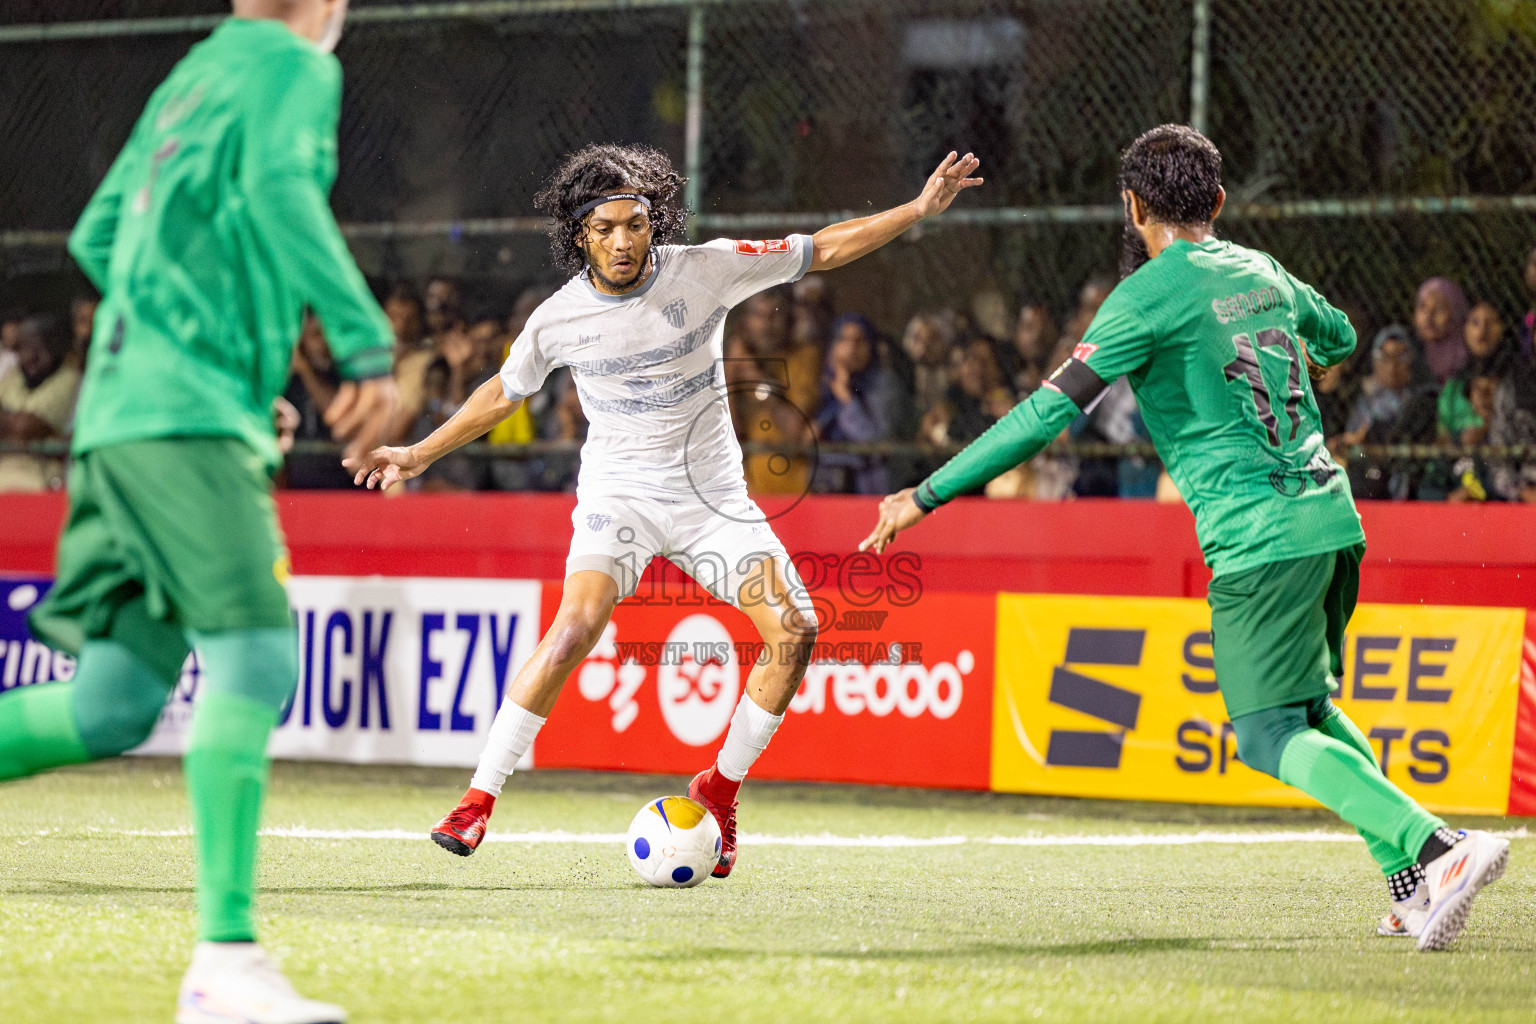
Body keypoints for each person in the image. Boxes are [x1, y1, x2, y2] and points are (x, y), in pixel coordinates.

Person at [861, 124, 1507, 952]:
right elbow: (1340, 337)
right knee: (1307, 707)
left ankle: (1439, 848)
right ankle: (1411, 881)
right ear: (1220, 203)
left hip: (1256, 536)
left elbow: (1046, 414)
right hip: (1331, 519)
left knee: (1269, 733)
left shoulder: (1144, 299)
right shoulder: (1259, 269)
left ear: (1133, 208)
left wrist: (927, 490)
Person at [348, 142, 981, 877]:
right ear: (578, 234)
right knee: (573, 630)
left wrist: (916, 208)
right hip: (620, 496)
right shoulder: (558, 318)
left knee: (798, 630)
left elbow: (822, 250)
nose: (623, 241)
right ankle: (478, 799)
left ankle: (720, 789)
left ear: (655, 221)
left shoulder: (705, 267)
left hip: (713, 503)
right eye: (606, 228)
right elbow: (502, 394)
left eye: (636, 224)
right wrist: (420, 453)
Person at [0, 3, 398, 1021]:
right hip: (182, 419)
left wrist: (221, 351)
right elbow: (276, 190)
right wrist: (363, 346)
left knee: (112, 703)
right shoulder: (291, 65)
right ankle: (225, 966)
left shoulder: (194, 71)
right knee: (260, 658)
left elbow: (99, 234)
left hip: (119, 418)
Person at [812, 313, 903, 494]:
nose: (851, 348)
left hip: (869, 488)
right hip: (826, 488)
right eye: (844, 340)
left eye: (859, 341)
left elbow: (875, 441)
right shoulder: (821, 384)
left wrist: (846, 398)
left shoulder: (884, 384)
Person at [0, 314, 82, 492]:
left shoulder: (70, 378)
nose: (33, 356)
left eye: (41, 346)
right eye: (25, 347)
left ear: (57, 347)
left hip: (45, 479)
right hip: (5, 474)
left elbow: (27, 426)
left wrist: (7, 418)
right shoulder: (13, 376)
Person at [1414, 276, 1469, 384]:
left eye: (1439, 308)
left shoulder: (1468, 362)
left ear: (1456, 314)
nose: (1428, 317)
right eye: (1422, 307)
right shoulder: (1411, 356)